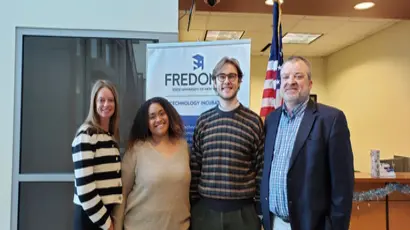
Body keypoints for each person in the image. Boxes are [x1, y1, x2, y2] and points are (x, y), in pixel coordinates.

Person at [260, 56, 355, 230]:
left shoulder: (331, 120)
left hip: (312, 225)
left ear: (310, 83)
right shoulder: (271, 120)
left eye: (298, 76)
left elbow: (342, 187)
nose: (291, 82)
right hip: (274, 223)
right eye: (286, 77)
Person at [190, 57, 264, 230]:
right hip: (205, 212)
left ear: (239, 82)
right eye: (221, 77)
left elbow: (260, 168)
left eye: (232, 76)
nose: (227, 81)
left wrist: (259, 208)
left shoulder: (253, 121)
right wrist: (193, 204)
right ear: (214, 83)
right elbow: (195, 166)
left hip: (244, 213)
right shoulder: (203, 121)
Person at [112, 97, 191, 230]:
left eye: (162, 113)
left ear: (169, 115)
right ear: (146, 123)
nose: (159, 119)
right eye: (152, 116)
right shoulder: (136, 150)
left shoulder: (183, 147)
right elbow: (122, 194)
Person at [72, 79, 122, 230]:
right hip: (92, 219)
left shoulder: (109, 136)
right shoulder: (86, 135)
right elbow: (85, 189)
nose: (106, 104)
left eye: (110, 100)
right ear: (94, 103)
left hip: (104, 215)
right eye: (101, 100)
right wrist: (107, 224)